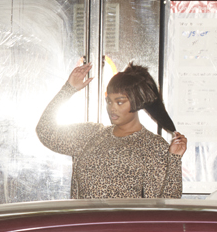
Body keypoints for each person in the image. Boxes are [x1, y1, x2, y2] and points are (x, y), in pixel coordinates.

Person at [36, 60, 188, 198]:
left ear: (138, 102)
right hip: (82, 227)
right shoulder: (90, 135)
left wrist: (174, 160)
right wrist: (68, 89)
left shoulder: (153, 147)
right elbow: (45, 131)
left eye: (120, 102)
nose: (112, 108)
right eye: (109, 101)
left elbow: (165, 205)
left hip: (124, 229)